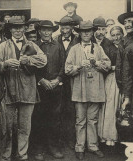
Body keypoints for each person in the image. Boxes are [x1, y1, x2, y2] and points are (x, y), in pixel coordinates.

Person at [0, 17, 47, 161]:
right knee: (7, 127)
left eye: (20, 27)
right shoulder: (3, 46)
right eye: (14, 27)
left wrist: (28, 60)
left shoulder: (32, 45)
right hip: (9, 91)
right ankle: (6, 155)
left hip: (28, 90)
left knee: (25, 127)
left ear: (24, 29)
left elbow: (43, 61)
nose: (18, 30)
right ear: (10, 29)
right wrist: (5, 63)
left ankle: (22, 155)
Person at [65, 20, 111, 160]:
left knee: (93, 120)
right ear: (79, 33)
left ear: (92, 33)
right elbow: (67, 69)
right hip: (80, 89)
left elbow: (108, 65)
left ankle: (92, 145)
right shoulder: (74, 49)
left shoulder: (98, 48)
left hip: (95, 89)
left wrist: (96, 62)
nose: (86, 33)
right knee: (80, 120)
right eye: (83, 31)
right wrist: (78, 66)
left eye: (89, 31)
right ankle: (79, 146)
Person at [32, 20, 65, 161]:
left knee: (54, 118)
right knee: (39, 118)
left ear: (52, 31)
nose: (46, 32)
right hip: (39, 88)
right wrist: (41, 80)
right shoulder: (33, 46)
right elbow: (29, 67)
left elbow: (64, 65)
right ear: (39, 31)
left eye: (49, 30)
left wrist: (57, 79)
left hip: (56, 87)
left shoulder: (58, 46)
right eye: (43, 30)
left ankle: (53, 147)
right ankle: (39, 148)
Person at [93, 17, 121, 146]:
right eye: (98, 29)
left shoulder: (109, 44)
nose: (100, 32)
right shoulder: (92, 43)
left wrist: (112, 67)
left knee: (111, 105)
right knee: (99, 107)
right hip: (96, 79)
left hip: (110, 77)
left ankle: (108, 135)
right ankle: (99, 136)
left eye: (103, 29)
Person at [54, 16, 79, 149]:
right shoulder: (55, 39)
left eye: (67, 27)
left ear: (72, 28)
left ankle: (70, 139)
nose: (65, 30)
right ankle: (59, 139)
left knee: (71, 110)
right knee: (58, 110)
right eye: (62, 27)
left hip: (73, 79)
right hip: (58, 79)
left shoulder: (78, 39)